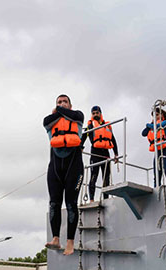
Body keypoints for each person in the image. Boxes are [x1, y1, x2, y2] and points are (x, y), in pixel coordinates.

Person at [43, 94, 84, 255]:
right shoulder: (50, 121)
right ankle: (55, 238)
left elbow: (74, 115)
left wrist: (58, 111)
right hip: (55, 168)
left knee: (71, 203)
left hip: (74, 167)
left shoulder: (78, 117)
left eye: (64, 102)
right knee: (54, 203)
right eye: (59, 102)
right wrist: (57, 113)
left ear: (70, 105)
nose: (62, 104)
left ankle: (70, 242)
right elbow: (45, 121)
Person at [81, 105, 119, 201]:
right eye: (93, 113)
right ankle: (91, 199)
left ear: (100, 114)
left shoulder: (106, 126)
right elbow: (84, 137)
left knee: (106, 177)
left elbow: (113, 140)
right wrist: (80, 147)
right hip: (95, 154)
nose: (95, 115)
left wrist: (116, 154)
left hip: (105, 154)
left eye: (97, 113)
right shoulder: (90, 126)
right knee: (94, 176)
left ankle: (106, 198)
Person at [142, 108, 166, 186]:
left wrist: (148, 125)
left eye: (157, 115)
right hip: (158, 150)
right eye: (153, 116)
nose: (155, 117)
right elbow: (143, 133)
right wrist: (149, 125)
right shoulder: (152, 125)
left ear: (162, 115)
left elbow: (157, 127)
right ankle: (157, 190)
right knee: (157, 174)